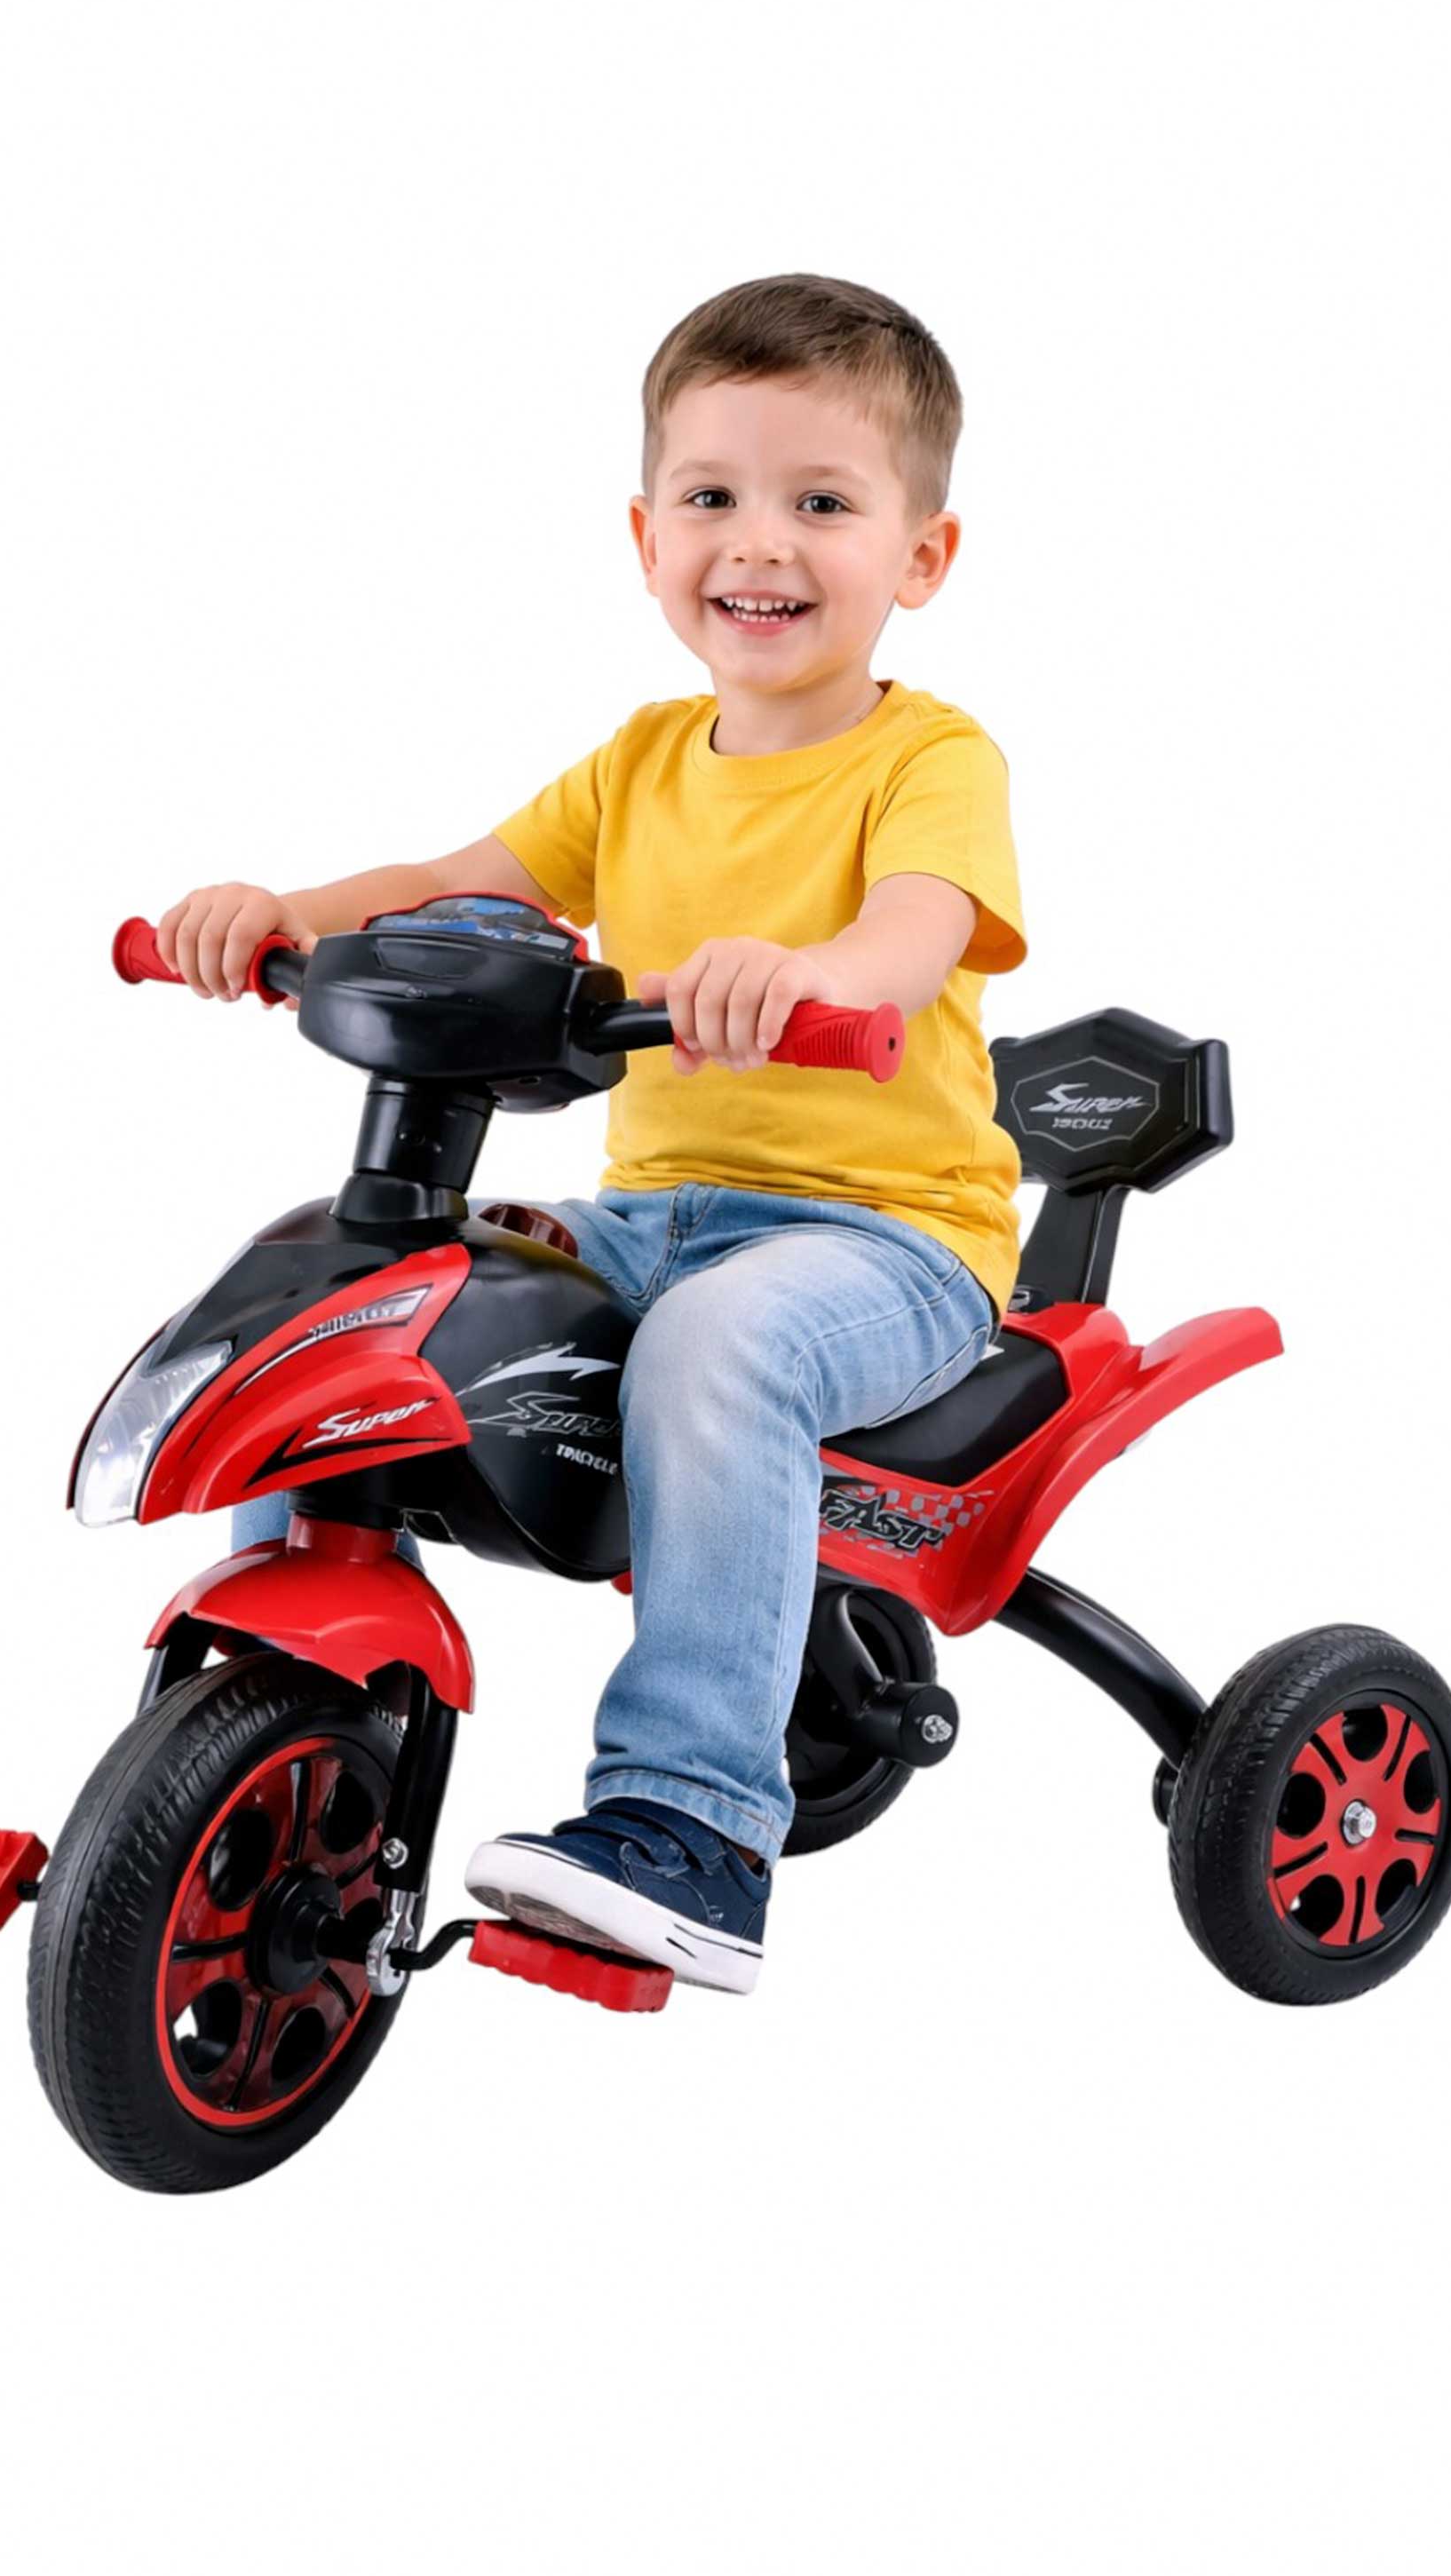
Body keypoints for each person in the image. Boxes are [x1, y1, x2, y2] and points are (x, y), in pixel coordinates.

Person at [152, 273, 1027, 1992]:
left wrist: (811, 974)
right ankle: (292, 1696)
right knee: (382, 1278)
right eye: (712, 495)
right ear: (646, 537)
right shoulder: (639, 763)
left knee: (717, 1345)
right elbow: (452, 886)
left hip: (885, 1239)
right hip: (659, 1215)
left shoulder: (930, 761)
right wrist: (285, 917)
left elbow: (916, 933)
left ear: (921, 556)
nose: (757, 542)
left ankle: (694, 1826)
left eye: (821, 503)